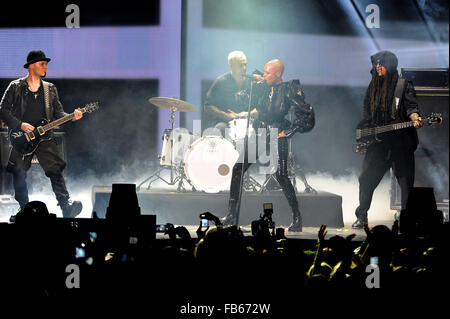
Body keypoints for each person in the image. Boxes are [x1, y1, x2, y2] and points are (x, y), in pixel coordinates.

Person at [221, 59, 315, 232]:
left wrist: (288, 132)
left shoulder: (288, 89)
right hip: (260, 133)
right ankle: (231, 215)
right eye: (263, 72)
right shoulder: (262, 88)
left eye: (267, 73)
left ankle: (297, 217)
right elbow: (241, 101)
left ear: (278, 74)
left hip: (276, 134)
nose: (264, 75)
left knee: (282, 176)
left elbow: (307, 114)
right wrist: (254, 86)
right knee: (238, 168)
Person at [0, 50, 83, 218]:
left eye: (46, 64)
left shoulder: (50, 89)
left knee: (55, 170)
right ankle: (24, 209)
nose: (45, 67)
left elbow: (58, 113)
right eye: (41, 64)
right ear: (31, 66)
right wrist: (20, 124)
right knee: (19, 172)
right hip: (21, 138)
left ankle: (66, 206)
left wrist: (72, 117)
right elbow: (2, 109)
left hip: (44, 138)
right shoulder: (15, 87)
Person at [352, 50, 423, 229]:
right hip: (378, 144)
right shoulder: (373, 86)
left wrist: (415, 118)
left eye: (381, 64)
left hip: (401, 143)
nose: (377, 67)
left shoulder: (403, 85)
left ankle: (408, 220)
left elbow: (411, 107)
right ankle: (362, 215)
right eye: (375, 64)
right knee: (366, 178)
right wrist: (365, 134)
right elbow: (366, 114)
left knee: (405, 183)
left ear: (390, 65)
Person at [204, 50, 258, 136]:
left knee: (261, 130)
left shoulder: (252, 82)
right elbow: (208, 106)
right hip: (226, 123)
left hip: (248, 123)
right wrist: (225, 115)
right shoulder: (221, 81)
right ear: (231, 65)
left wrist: (248, 114)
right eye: (240, 65)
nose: (244, 68)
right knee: (220, 128)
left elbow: (261, 108)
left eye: (245, 64)